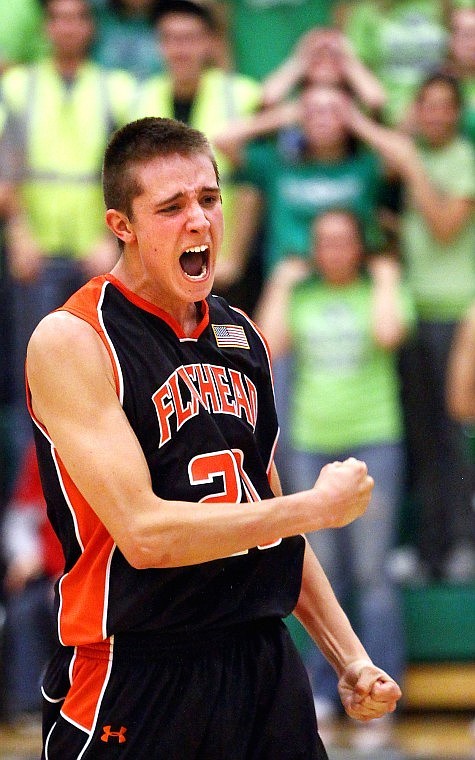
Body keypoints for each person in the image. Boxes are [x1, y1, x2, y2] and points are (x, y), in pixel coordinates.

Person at [26, 115, 401, 758]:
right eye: (171, 207)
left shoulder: (242, 336)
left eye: (209, 198)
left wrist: (349, 657)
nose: (199, 220)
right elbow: (145, 535)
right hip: (137, 670)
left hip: (259, 661)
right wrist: (315, 506)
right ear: (124, 226)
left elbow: (271, 523)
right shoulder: (74, 339)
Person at [256, 209, 413, 749]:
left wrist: (387, 276)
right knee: (316, 570)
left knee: (373, 575)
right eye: (323, 242)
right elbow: (266, 345)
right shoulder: (300, 295)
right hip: (310, 445)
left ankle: (382, 691)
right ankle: (322, 690)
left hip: (373, 442)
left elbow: (389, 332)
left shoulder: (380, 289)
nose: (334, 251)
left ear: (360, 247)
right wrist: (280, 281)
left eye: (345, 241)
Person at [347, 72, 475, 580]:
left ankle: (465, 545)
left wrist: (412, 165)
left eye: (446, 106)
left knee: (454, 436)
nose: (436, 116)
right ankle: (429, 549)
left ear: (457, 112)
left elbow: (445, 228)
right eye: (427, 107)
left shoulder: (464, 159)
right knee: (421, 436)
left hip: (459, 315)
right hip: (414, 312)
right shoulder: (411, 156)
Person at [0, 0, 136, 469]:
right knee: (32, 380)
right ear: (46, 26)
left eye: (79, 17)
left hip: (96, 254)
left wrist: (113, 241)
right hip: (36, 253)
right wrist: (18, 233)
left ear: (91, 27)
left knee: (102, 378)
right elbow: (6, 168)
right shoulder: (18, 87)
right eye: (59, 17)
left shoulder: (115, 88)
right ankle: (30, 506)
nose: (69, 27)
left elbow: (127, 172)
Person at [132, 0, 263, 307]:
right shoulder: (139, 99)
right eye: (171, 39)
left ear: (209, 43)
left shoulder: (243, 96)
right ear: (159, 45)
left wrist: (233, 258)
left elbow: (251, 184)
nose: (180, 49)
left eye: (190, 38)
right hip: (157, 264)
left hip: (224, 258)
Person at [2, 441, 64, 723]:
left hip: (90, 575)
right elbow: (22, 515)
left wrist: (68, 576)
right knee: (23, 610)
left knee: (63, 610)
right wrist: (28, 555)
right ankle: (28, 709)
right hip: (49, 573)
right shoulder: (41, 447)